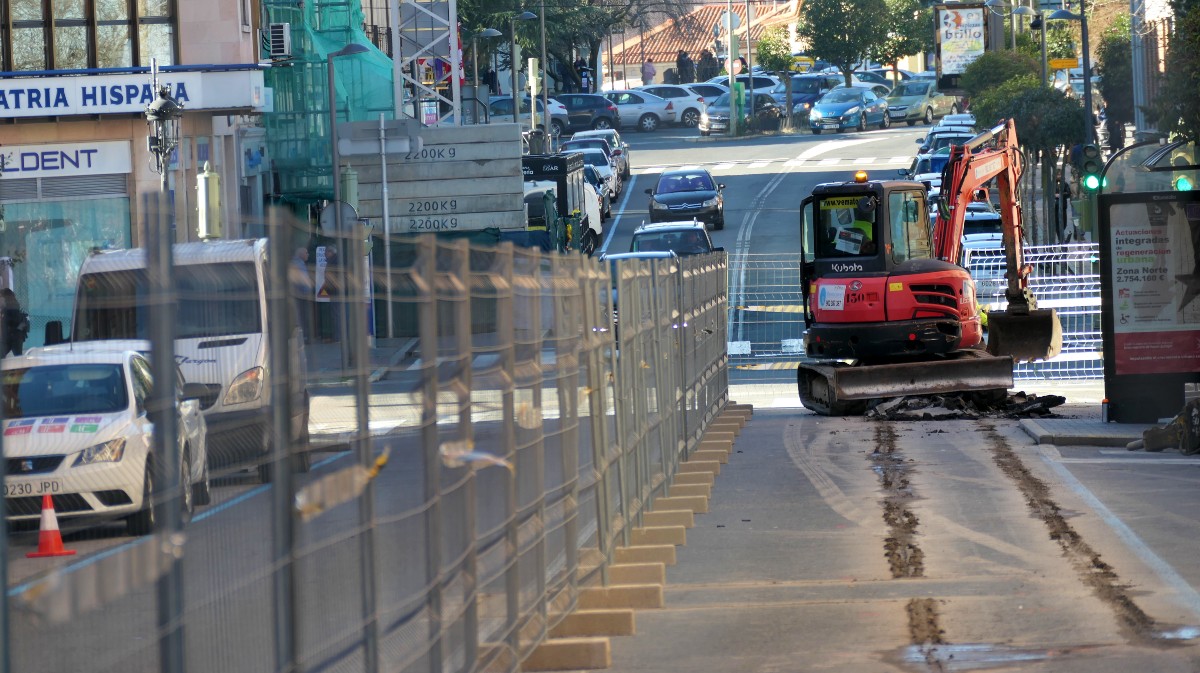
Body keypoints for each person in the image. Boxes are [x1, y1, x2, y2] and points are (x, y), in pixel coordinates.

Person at [290, 246, 314, 343]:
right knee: (301, 317)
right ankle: (303, 337)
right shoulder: (298, 264)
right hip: (300, 295)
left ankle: (303, 336)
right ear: (301, 254)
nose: (308, 255)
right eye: (306, 253)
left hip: (300, 294)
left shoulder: (299, 263)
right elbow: (302, 281)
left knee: (301, 317)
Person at [1, 289, 29, 358]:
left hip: (13, 337)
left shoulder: (12, 308)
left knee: (18, 357)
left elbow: (13, 321)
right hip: (12, 337)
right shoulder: (10, 307)